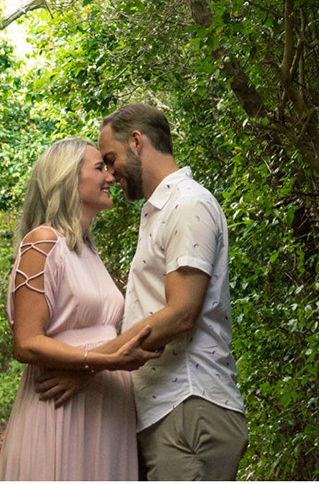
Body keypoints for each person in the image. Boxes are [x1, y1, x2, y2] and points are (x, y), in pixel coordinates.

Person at [40, 102, 247, 479]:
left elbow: (180, 314)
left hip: (189, 403)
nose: (110, 172)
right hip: (163, 408)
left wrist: (89, 366)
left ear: (136, 141)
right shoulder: (159, 212)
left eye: (110, 157)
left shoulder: (188, 204)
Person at [0, 137, 157, 480]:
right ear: (68, 178)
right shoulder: (42, 242)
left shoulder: (87, 251)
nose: (111, 176)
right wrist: (104, 362)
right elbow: (26, 342)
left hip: (107, 410)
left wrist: (101, 368)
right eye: (99, 168)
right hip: (61, 409)